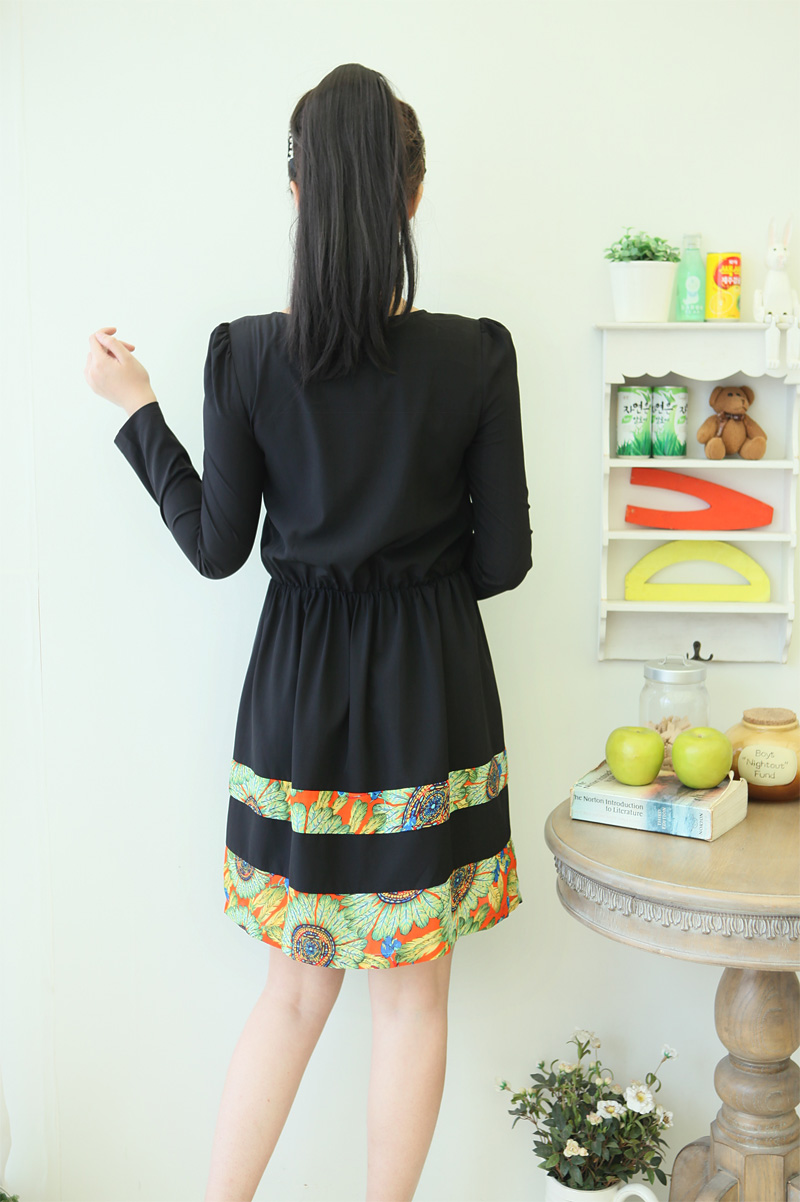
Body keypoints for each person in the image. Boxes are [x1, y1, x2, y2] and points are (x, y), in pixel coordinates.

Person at [84, 62, 532, 1202]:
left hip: (299, 696)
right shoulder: (477, 355)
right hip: (430, 692)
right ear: (413, 195)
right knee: (413, 998)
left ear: (297, 192)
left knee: (293, 992)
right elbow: (503, 563)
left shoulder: (243, 355)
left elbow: (217, 547)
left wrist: (139, 412)